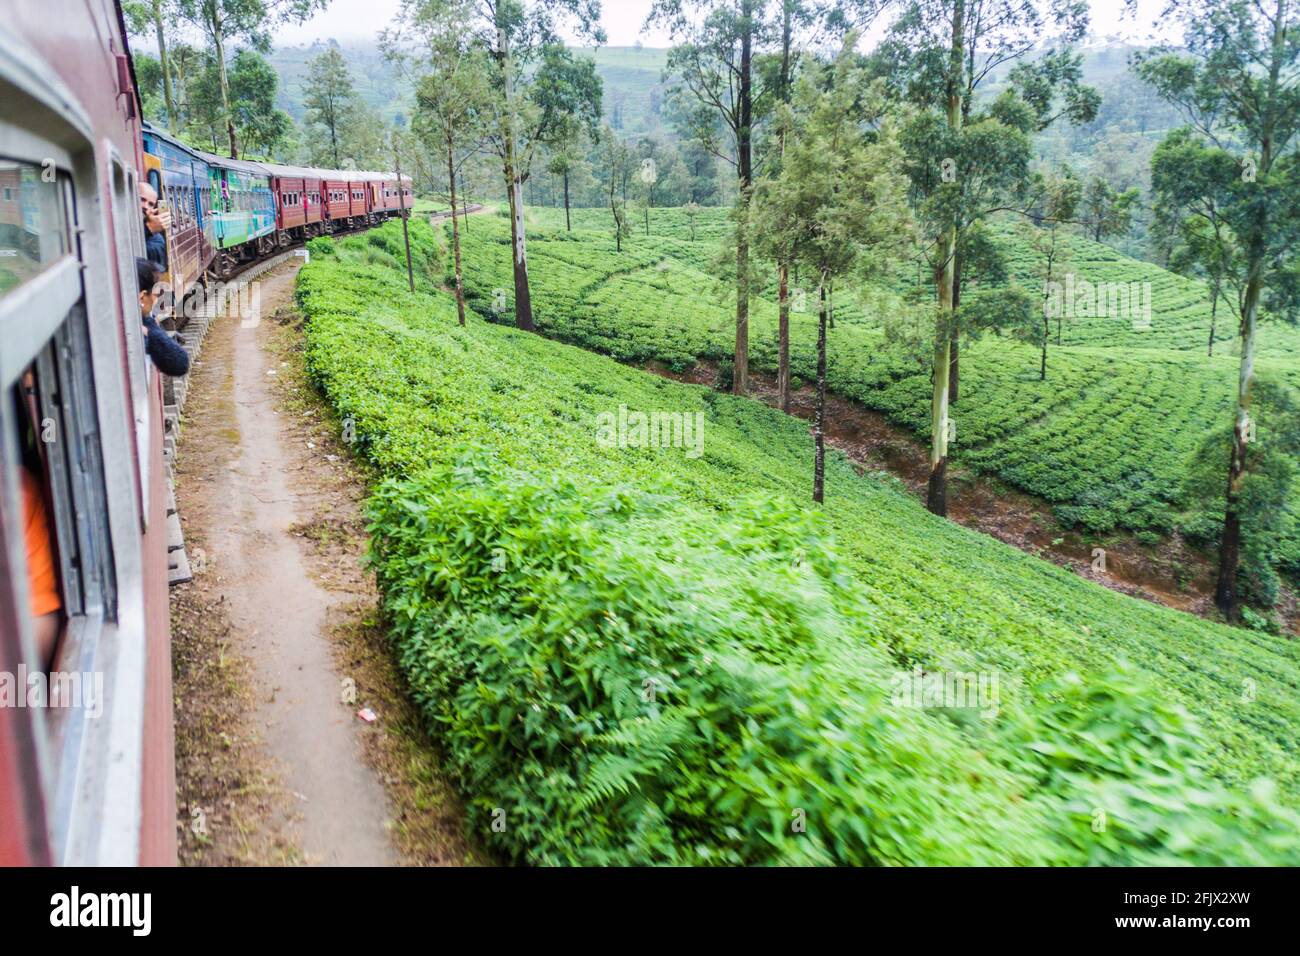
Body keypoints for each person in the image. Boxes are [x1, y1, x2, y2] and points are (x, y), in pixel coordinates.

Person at [137, 257, 190, 377]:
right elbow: (180, 364)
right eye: (155, 294)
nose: (156, 300)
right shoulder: (143, 325)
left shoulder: (146, 321)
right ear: (142, 297)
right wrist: (151, 332)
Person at [139, 181, 169, 272]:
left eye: (150, 204)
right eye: (142, 199)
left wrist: (149, 229)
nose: (145, 207)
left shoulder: (157, 239)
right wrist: (148, 229)